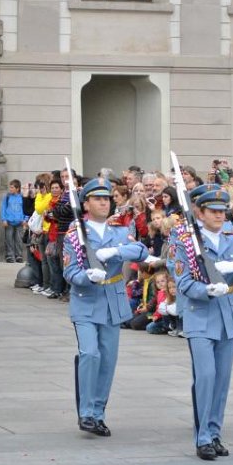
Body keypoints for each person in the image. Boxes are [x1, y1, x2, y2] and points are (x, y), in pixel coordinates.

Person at [173, 188, 233, 460]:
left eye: (221, 210)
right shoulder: (187, 244)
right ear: (199, 213)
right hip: (200, 315)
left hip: (227, 316)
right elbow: (182, 282)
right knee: (205, 377)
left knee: (222, 381)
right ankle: (202, 437)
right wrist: (205, 291)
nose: (218, 215)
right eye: (212, 211)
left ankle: (214, 433)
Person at [63, 178, 149, 437]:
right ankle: (86, 412)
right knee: (90, 354)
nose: (103, 202)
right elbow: (69, 271)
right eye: (97, 198)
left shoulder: (120, 231)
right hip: (87, 301)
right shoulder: (76, 234)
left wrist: (114, 252)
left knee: (107, 361)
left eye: (106, 198)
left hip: (112, 301)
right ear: (86, 203)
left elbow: (141, 251)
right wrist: (87, 276)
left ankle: (98, 413)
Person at [0, 179, 27, 262]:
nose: (10, 189)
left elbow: (26, 209)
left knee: (19, 240)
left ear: (17, 188)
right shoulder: (7, 197)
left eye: (12, 187)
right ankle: (9, 256)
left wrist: (25, 219)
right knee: (9, 240)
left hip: (19, 222)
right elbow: (3, 208)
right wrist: (4, 219)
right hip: (9, 222)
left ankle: (19, 256)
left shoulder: (22, 197)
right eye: (10, 187)